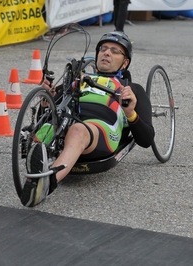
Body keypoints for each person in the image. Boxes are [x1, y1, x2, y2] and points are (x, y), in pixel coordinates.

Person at [20, 31, 155, 207]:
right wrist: (47, 103)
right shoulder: (79, 80)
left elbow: (146, 140)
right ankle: (39, 163)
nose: (107, 53)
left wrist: (130, 113)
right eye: (104, 49)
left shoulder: (131, 89)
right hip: (68, 122)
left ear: (125, 63)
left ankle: (46, 183)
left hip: (101, 130)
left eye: (115, 51)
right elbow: (48, 117)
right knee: (42, 131)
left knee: (78, 130)